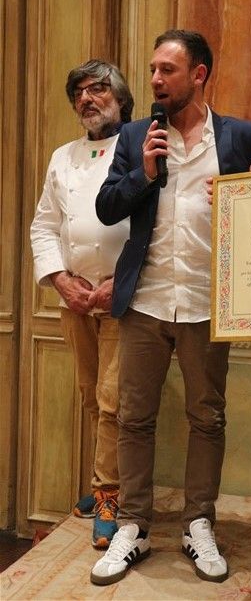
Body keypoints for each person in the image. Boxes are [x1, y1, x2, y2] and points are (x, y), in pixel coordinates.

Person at [90, 29, 251, 586]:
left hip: (208, 302)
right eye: (153, 69)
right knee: (134, 418)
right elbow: (107, 208)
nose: (155, 79)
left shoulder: (243, 136)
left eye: (167, 70)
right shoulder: (136, 136)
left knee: (207, 417)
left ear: (199, 74)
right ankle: (134, 526)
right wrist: (144, 174)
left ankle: (199, 522)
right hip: (145, 301)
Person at [30, 59, 134, 549]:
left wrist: (123, 279)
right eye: (79, 93)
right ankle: (108, 481)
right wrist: (60, 280)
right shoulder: (62, 156)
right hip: (75, 299)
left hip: (123, 297)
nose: (87, 99)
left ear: (121, 96)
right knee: (92, 396)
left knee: (114, 401)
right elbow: (44, 226)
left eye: (98, 89)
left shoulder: (138, 144)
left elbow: (157, 225)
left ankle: (108, 494)